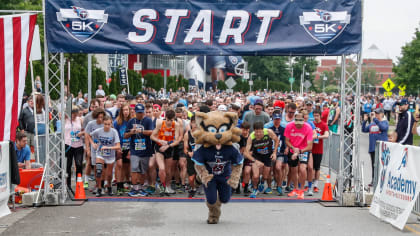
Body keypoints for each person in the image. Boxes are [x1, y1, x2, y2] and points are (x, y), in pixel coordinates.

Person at [125, 104, 154, 197]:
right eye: (138, 113)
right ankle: (134, 188)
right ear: (135, 112)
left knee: (143, 170)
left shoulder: (148, 120)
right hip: (134, 149)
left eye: (141, 113)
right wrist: (131, 132)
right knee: (134, 168)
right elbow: (125, 135)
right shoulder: (131, 121)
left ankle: (140, 188)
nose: (140, 115)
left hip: (145, 149)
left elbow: (151, 132)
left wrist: (141, 131)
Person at [150, 109, 182, 196]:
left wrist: (168, 145)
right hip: (159, 148)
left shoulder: (176, 125)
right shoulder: (160, 123)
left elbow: (176, 140)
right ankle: (163, 186)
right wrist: (159, 140)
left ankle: (168, 186)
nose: (169, 122)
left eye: (171, 120)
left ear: (174, 119)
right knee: (162, 168)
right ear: (165, 118)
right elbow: (152, 136)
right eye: (168, 120)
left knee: (168, 171)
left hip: (169, 148)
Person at [244, 122, 278, 198]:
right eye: (256, 132)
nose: (258, 134)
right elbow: (246, 153)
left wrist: (275, 152)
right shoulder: (251, 136)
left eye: (260, 132)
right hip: (257, 157)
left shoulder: (268, 132)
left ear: (263, 130)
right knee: (256, 176)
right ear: (254, 131)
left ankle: (262, 182)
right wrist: (255, 160)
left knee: (265, 176)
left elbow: (276, 140)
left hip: (267, 156)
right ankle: (255, 189)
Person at [90, 116, 121, 197]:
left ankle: (109, 186)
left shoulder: (114, 132)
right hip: (100, 154)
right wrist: (93, 143)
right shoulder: (98, 131)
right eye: (105, 124)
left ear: (111, 124)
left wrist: (108, 147)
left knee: (109, 174)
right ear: (103, 124)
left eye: (109, 124)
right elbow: (88, 135)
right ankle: (99, 188)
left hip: (110, 155)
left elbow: (118, 146)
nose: (107, 126)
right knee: (99, 170)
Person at [285, 112, 313, 200]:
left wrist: (299, 151)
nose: (298, 126)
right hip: (292, 149)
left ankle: (301, 190)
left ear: (303, 121)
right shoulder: (289, 126)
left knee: (302, 168)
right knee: (293, 169)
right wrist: (293, 148)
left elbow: (310, 146)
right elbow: (287, 140)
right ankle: (295, 188)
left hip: (303, 150)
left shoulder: (308, 128)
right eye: (296, 124)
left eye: (300, 124)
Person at [362, 107, 388, 186]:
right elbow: (364, 130)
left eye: (378, 113)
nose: (376, 115)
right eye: (375, 113)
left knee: (381, 165)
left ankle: (382, 181)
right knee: (374, 165)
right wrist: (365, 120)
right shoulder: (372, 124)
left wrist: (375, 120)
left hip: (381, 148)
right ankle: (374, 180)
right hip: (372, 148)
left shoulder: (384, 122)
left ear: (382, 114)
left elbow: (384, 128)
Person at [84, 108, 106, 191]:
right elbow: (87, 135)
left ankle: (102, 185)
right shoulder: (91, 124)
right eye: (98, 117)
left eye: (101, 117)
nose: (100, 119)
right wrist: (89, 147)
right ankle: (97, 185)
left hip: (104, 149)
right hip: (94, 149)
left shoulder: (105, 123)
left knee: (103, 167)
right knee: (96, 168)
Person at [113, 104, 131, 195]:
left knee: (126, 166)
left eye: (127, 110)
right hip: (119, 146)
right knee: (119, 165)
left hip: (129, 147)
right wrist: (117, 147)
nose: (125, 112)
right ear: (121, 111)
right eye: (124, 110)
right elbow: (114, 135)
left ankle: (125, 183)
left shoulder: (132, 121)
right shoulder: (117, 122)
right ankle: (119, 185)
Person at [64, 107, 85, 188]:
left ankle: (79, 183)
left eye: (75, 115)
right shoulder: (65, 118)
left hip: (78, 145)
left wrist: (81, 133)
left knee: (79, 164)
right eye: (72, 114)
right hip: (68, 144)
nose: (73, 116)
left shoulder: (80, 119)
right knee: (68, 165)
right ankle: (68, 185)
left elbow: (85, 130)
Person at [312, 109, 329, 193]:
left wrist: (318, 137)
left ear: (320, 116)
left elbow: (326, 135)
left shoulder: (324, 125)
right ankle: (309, 184)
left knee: (317, 167)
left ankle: (316, 184)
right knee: (310, 167)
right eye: (314, 115)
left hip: (318, 149)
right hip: (310, 148)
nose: (316, 117)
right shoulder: (311, 124)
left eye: (317, 116)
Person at [270, 111, 287, 196]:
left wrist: (287, 148)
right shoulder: (270, 129)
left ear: (280, 119)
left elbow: (286, 141)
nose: (277, 120)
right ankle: (271, 185)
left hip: (280, 152)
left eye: (278, 119)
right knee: (271, 169)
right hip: (271, 151)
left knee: (278, 167)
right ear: (273, 119)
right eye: (275, 119)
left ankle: (279, 186)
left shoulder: (283, 129)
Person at [184, 115, 197, 198]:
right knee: (191, 178)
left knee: (202, 177)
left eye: (197, 123)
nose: (195, 125)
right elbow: (185, 149)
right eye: (194, 122)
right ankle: (193, 189)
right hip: (191, 158)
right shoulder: (187, 134)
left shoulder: (203, 134)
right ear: (191, 123)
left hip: (201, 158)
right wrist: (189, 153)